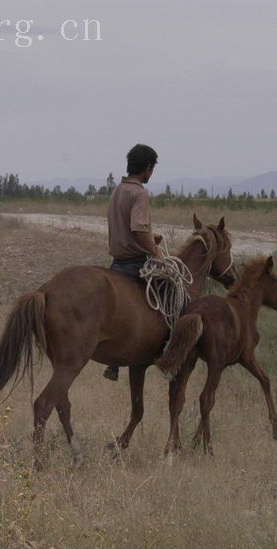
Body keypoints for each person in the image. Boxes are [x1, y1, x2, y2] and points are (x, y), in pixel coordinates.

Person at [103, 144, 163, 381]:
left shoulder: (117, 190)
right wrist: (155, 251)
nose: (151, 174)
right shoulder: (139, 193)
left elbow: (131, 228)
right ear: (147, 168)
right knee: (172, 298)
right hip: (136, 263)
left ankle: (113, 363)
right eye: (152, 169)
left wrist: (150, 237)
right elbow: (137, 228)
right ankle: (166, 351)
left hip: (117, 263)